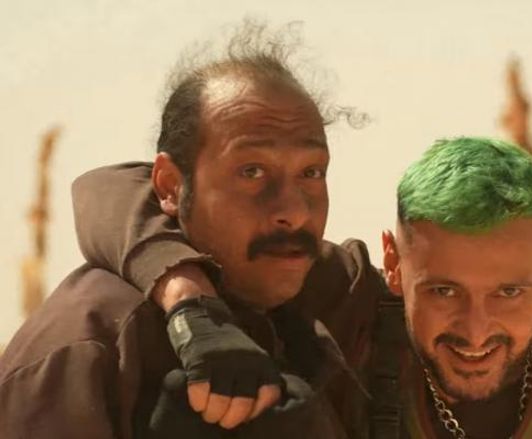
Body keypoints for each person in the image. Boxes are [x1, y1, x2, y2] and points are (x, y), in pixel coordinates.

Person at [68, 135, 532, 437]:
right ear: (394, 263)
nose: (475, 331)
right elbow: (108, 190)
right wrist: (190, 304)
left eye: (508, 293)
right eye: (442, 292)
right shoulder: (352, 298)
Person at [0, 20, 384, 438]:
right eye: (252, 172)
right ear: (170, 185)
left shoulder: (329, 289)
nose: (293, 212)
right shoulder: (93, 342)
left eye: (311, 172)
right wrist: (191, 306)